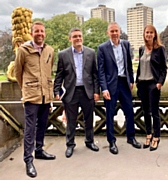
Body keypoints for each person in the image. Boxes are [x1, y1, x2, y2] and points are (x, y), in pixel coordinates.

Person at [14, 21, 56, 178]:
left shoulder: (50, 50)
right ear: (32, 33)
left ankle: (39, 150)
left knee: (42, 126)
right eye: (37, 31)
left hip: (46, 95)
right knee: (30, 129)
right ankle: (28, 160)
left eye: (42, 31)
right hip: (31, 96)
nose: (40, 34)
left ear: (45, 33)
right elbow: (18, 73)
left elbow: (48, 71)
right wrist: (27, 88)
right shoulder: (23, 50)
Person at [54, 28, 100, 158]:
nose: (78, 38)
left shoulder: (91, 53)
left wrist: (97, 91)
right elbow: (59, 75)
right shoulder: (63, 55)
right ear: (70, 39)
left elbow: (95, 74)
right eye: (75, 36)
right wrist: (56, 90)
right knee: (71, 121)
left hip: (87, 91)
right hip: (71, 92)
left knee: (89, 119)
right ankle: (70, 145)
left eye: (80, 36)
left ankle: (89, 141)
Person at [97, 22, 141, 155]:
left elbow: (128, 64)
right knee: (109, 114)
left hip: (124, 83)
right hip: (110, 85)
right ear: (108, 33)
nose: (115, 33)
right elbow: (101, 71)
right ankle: (112, 142)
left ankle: (131, 137)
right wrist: (104, 88)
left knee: (129, 112)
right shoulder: (102, 48)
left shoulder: (126, 44)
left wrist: (131, 80)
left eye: (116, 31)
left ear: (120, 31)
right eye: (112, 31)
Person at [136, 25, 167, 151]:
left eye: (151, 32)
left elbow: (164, 68)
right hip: (142, 84)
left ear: (155, 34)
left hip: (152, 84)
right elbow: (140, 66)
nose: (148, 34)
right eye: (146, 32)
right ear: (144, 34)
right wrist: (137, 81)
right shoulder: (141, 49)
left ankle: (156, 137)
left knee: (154, 112)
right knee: (145, 111)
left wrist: (159, 83)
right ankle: (148, 134)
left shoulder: (160, 49)